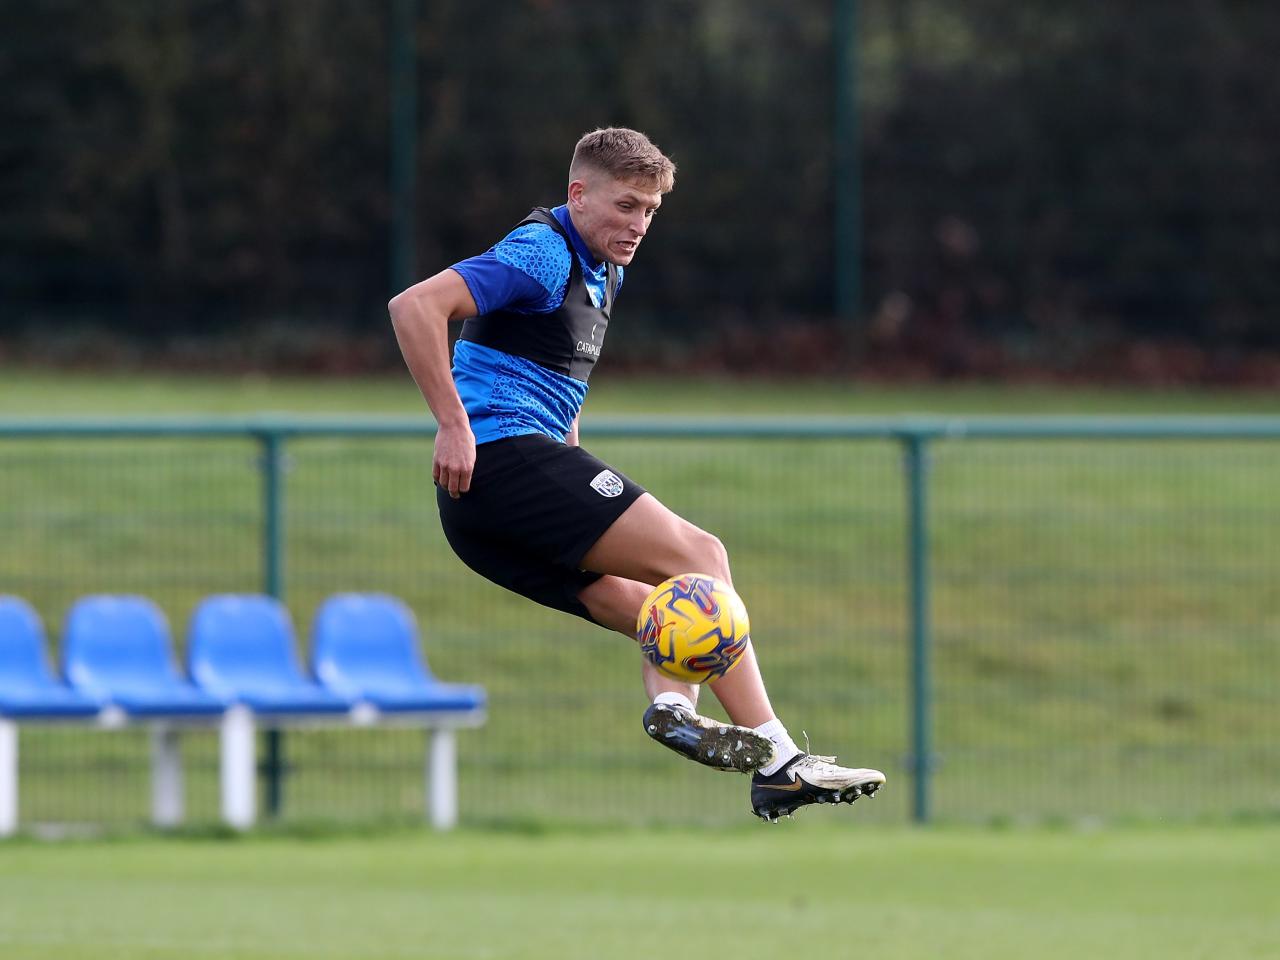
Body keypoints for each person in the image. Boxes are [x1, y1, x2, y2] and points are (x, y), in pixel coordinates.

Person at [388, 127, 884, 821]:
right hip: (500, 465)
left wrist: (572, 458)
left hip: (481, 516)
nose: (638, 225)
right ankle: (762, 750)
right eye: (625, 206)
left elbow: (557, 388)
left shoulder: (604, 269)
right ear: (578, 194)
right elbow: (415, 306)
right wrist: (452, 422)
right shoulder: (541, 251)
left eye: (650, 211)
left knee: (657, 611)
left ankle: (709, 730)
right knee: (702, 558)